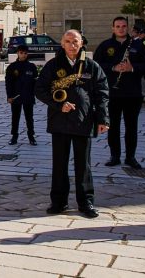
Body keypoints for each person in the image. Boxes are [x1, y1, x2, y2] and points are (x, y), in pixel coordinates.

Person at [35, 30, 109, 218]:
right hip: (59, 121)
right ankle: (58, 202)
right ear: (62, 44)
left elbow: (102, 93)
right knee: (59, 164)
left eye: (75, 41)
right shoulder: (53, 65)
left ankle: (86, 203)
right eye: (68, 41)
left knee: (83, 165)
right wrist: (59, 104)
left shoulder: (91, 66)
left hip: (84, 121)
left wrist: (103, 119)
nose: (72, 45)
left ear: (82, 43)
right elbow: (39, 89)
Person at [94, 17, 145, 169]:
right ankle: (115, 156)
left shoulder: (138, 45)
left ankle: (130, 157)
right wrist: (113, 68)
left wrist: (132, 68)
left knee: (131, 127)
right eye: (118, 26)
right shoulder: (105, 45)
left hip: (133, 94)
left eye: (124, 26)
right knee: (112, 126)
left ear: (128, 28)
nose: (121, 29)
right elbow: (96, 65)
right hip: (112, 93)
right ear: (113, 28)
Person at [5, 44, 38, 146]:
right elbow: (8, 83)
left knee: (29, 117)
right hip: (16, 96)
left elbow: (35, 82)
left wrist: (34, 94)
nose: (23, 55)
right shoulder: (12, 67)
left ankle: (31, 136)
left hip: (28, 96)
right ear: (17, 53)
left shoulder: (32, 67)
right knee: (15, 117)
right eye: (21, 53)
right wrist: (9, 96)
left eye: (25, 53)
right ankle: (14, 136)